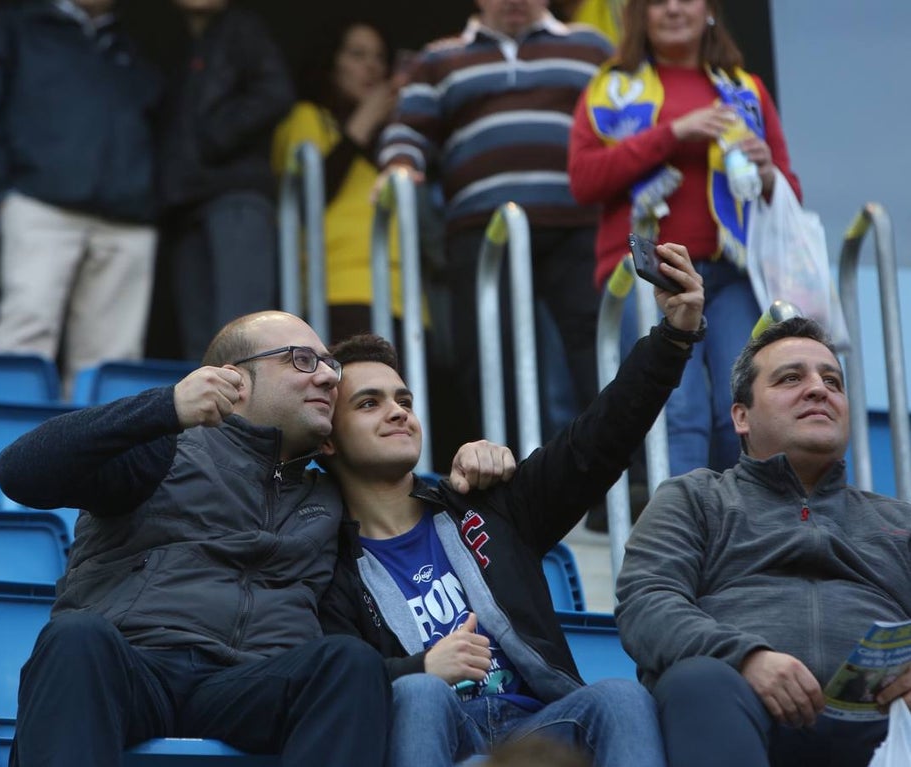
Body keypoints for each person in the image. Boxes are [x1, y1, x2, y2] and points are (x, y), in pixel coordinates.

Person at [317, 243, 707, 766]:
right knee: (419, 694)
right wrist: (421, 668)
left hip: (542, 731)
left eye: (404, 401)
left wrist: (673, 337)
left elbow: (599, 440)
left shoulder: (488, 507)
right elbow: (323, 678)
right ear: (327, 441)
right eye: (369, 404)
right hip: (442, 736)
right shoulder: (321, 558)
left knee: (619, 696)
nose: (397, 413)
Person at [0, 310, 391, 766]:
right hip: (137, 667)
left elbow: (411, 498)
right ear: (233, 379)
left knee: (350, 663)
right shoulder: (164, 448)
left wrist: (479, 465)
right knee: (75, 637)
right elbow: (18, 472)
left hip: (253, 683)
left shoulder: (335, 495)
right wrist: (165, 407)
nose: (326, 377)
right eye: (302, 360)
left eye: (329, 366)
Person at [615, 317, 911, 767]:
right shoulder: (694, 498)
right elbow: (646, 603)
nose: (818, 389)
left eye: (832, 380)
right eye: (791, 378)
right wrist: (746, 658)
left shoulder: (898, 521)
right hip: (737, 706)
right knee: (698, 680)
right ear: (741, 417)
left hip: (882, 723)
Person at [569, 0, 802, 476]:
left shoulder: (746, 89)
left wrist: (766, 172)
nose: (673, 8)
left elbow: (790, 191)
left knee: (743, 408)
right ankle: (683, 537)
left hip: (733, 273)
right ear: (640, 15)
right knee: (680, 410)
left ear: (710, 11)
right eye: (657, 1)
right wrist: (673, 133)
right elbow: (584, 180)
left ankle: (744, 533)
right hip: (650, 272)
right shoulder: (606, 88)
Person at [376, 0, 613, 445]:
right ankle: (505, 478)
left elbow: (624, 121)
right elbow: (408, 129)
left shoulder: (591, 47)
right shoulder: (439, 58)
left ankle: (622, 480)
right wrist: (399, 164)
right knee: (486, 358)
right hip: (481, 232)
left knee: (598, 351)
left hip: (578, 222)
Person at [0, 0, 161, 391]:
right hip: (40, 205)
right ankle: (7, 446)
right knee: (25, 338)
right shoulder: (18, 25)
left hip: (127, 219)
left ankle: (102, 454)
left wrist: (150, 195)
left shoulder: (132, 41)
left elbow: (166, 124)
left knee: (112, 362)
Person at [159, 0, 293, 361]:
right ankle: (207, 420)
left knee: (242, 335)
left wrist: (217, 136)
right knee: (200, 347)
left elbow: (276, 92)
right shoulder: (175, 42)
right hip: (187, 203)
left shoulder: (242, 28)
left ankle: (243, 419)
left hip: (235, 195)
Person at [271, 19, 402, 343]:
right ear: (331, 65)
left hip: (406, 296)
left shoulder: (394, 140)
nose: (371, 67)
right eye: (358, 55)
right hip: (339, 291)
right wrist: (364, 122)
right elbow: (307, 197)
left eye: (379, 57)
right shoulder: (309, 118)